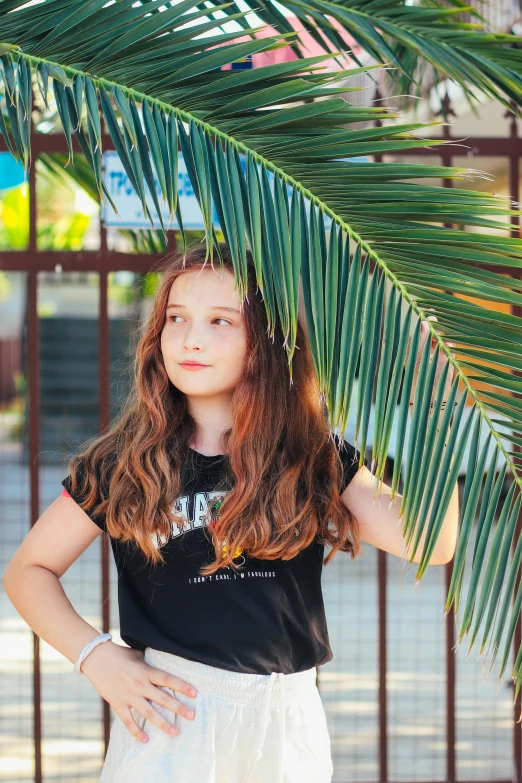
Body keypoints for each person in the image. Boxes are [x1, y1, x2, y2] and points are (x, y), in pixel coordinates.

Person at [3, 242, 459, 783]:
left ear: (267, 342)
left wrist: (438, 415)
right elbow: (27, 572)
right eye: (176, 318)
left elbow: (434, 542)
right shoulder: (122, 462)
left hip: (288, 718)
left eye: (221, 320)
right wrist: (95, 656)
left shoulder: (311, 455)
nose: (192, 338)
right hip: (175, 715)